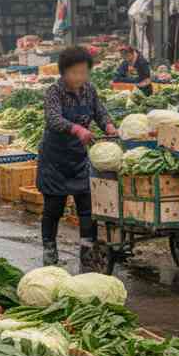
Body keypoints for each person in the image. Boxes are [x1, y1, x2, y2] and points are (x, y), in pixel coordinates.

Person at [37, 46, 117, 268]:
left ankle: (87, 247)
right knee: (54, 208)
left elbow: (99, 111)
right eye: (75, 73)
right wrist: (76, 129)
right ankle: (50, 248)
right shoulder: (54, 91)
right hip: (55, 159)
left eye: (84, 72)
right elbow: (53, 119)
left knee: (87, 205)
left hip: (80, 157)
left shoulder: (89, 90)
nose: (80, 77)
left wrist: (109, 126)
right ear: (64, 73)